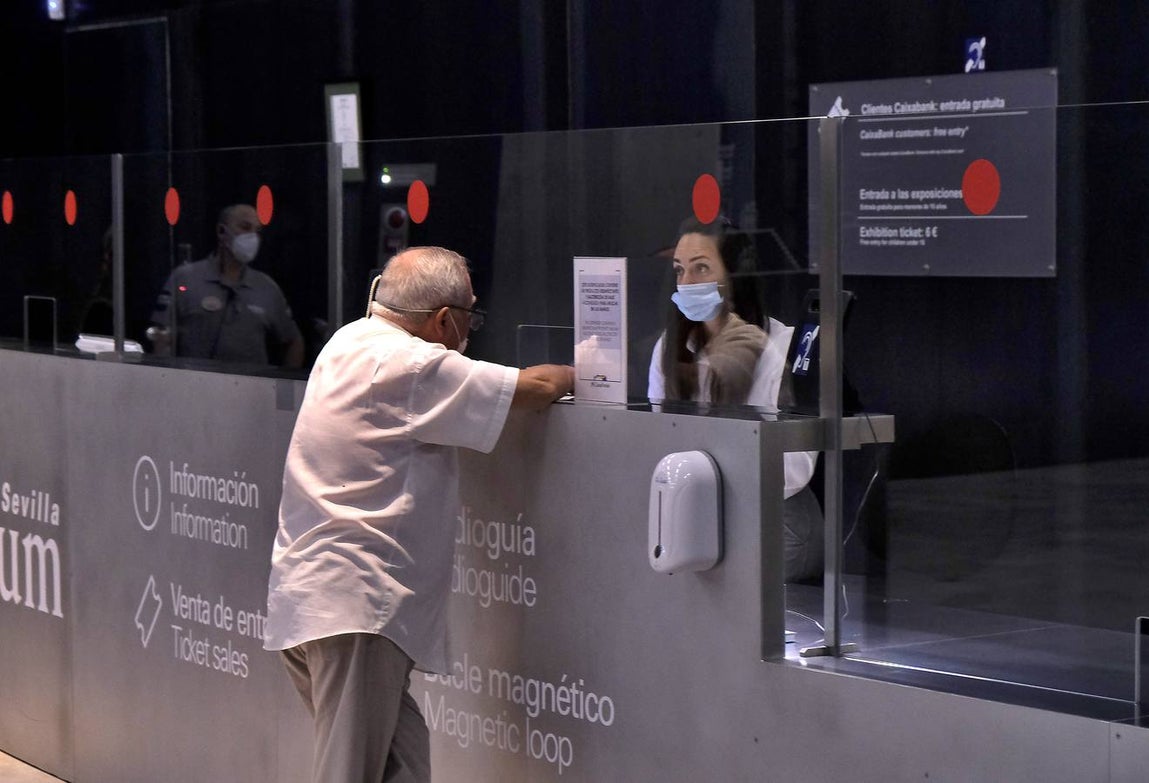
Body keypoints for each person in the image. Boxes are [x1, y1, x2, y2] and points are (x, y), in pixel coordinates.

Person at [264, 246, 574, 783]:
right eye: (471, 316)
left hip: (313, 601)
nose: (471, 331)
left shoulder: (345, 341)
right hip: (356, 612)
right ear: (444, 320)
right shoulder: (415, 364)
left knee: (404, 769)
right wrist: (590, 366)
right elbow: (539, 388)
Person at [647, 217, 823, 581]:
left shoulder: (781, 347)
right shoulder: (669, 347)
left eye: (701, 268)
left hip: (773, 517)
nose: (687, 283)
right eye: (680, 270)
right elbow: (658, 441)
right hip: (695, 510)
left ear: (734, 276)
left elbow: (795, 465)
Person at [149, 204, 304, 368]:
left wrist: (289, 384)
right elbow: (162, 337)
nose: (253, 237)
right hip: (194, 385)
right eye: (245, 227)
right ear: (221, 231)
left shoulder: (266, 288)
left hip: (252, 388)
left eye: (257, 231)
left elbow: (293, 340)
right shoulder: (185, 278)